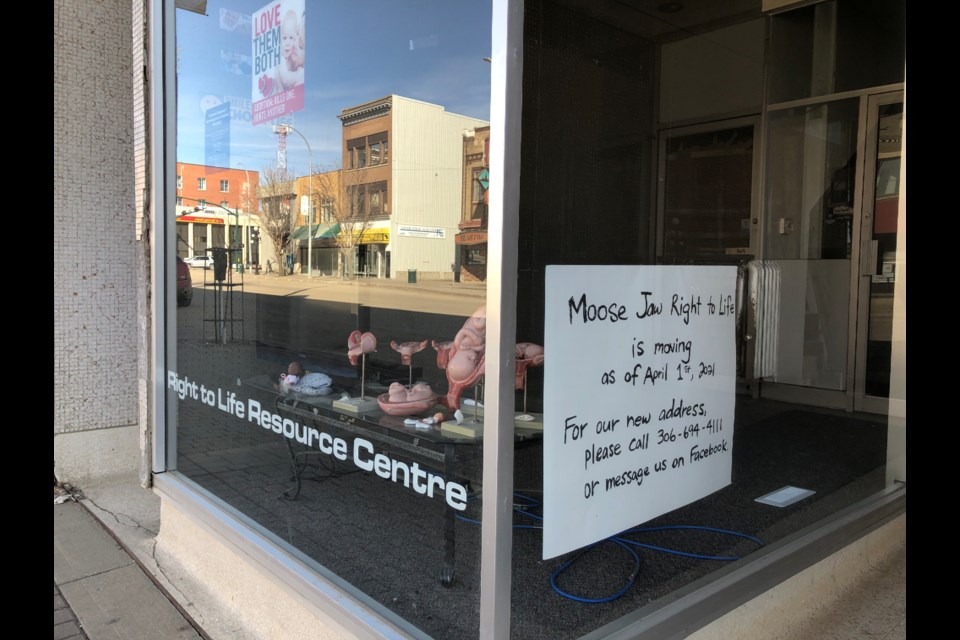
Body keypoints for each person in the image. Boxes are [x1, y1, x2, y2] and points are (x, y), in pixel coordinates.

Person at [274, 9, 304, 91]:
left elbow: (287, 80)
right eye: (284, 38)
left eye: (291, 38)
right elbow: (285, 79)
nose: (287, 43)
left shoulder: (298, 66)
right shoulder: (281, 59)